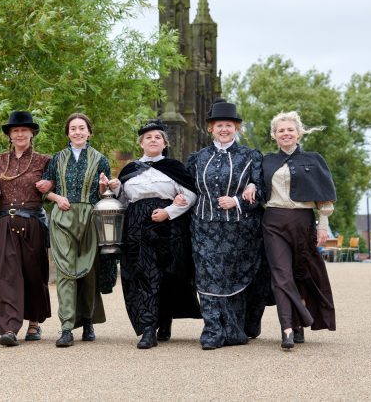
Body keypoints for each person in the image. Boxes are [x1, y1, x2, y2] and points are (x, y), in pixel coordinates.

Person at [103, 120, 201, 349]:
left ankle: (164, 319)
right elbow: (124, 201)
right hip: (136, 227)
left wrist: (169, 211)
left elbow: (190, 195)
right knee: (141, 275)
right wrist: (114, 188)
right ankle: (148, 328)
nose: (153, 140)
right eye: (148, 137)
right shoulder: (129, 169)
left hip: (167, 228)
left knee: (166, 274)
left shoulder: (174, 167)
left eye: (158, 137)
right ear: (141, 143)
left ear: (164, 143)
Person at [186, 99, 267, 350]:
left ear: (237, 128)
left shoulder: (251, 156)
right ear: (211, 128)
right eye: (219, 125)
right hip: (203, 228)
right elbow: (186, 188)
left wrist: (238, 200)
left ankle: (233, 330)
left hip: (240, 230)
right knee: (207, 278)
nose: (224, 129)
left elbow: (262, 192)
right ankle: (212, 330)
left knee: (233, 279)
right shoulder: (197, 158)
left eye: (229, 125)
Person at [262, 111, 336, 350]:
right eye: (280, 130)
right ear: (274, 135)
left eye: (290, 129)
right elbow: (254, 180)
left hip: (303, 221)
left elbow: (324, 198)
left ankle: (299, 324)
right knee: (280, 275)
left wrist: (323, 226)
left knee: (300, 273)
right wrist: (253, 184)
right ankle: (287, 330)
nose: (285, 133)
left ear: (299, 132)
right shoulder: (266, 161)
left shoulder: (314, 160)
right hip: (273, 220)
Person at [39, 113, 111, 347]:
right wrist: (57, 197)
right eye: (73, 129)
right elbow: (43, 190)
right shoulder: (57, 158)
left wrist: (103, 188)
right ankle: (67, 327)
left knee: (88, 271)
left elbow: (106, 195)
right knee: (65, 272)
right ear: (68, 133)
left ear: (89, 132)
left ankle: (88, 319)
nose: (78, 132)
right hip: (63, 217)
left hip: (90, 217)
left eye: (82, 128)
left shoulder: (101, 159)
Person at [0, 111, 52, 347]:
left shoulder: (45, 161)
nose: (20, 133)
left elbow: (56, 185)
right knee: (8, 275)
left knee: (34, 273)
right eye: (15, 130)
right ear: (10, 135)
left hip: (33, 221)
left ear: (32, 133)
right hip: (5, 221)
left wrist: (50, 185)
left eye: (24, 130)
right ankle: (10, 327)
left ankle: (34, 321)